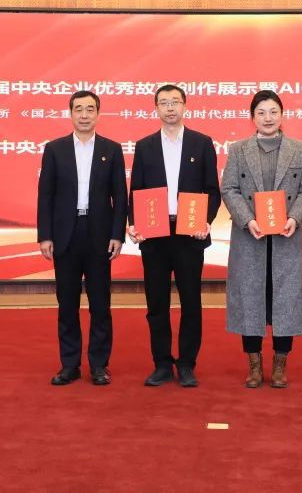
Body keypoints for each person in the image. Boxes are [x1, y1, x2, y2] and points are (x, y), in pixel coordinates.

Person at [220, 90, 302, 388]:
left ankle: (279, 363)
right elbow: (229, 189)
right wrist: (247, 219)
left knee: (284, 300)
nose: (268, 118)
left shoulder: (299, 149)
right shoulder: (238, 150)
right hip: (250, 237)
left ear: (282, 115)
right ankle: (253, 364)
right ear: (253, 117)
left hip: (286, 238)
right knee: (250, 298)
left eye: (273, 111)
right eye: (261, 112)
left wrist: (294, 218)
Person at [128, 84, 221, 388]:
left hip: (188, 233)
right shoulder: (144, 146)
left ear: (185, 106)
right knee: (157, 303)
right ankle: (162, 364)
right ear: (155, 108)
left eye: (175, 102)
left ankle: (187, 363)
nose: (170, 108)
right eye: (164, 103)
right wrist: (134, 223)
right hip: (154, 233)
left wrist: (205, 220)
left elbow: (212, 190)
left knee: (191, 302)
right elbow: (136, 190)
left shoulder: (201, 143)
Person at [37, 90, 127, 386]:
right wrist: (45, 235)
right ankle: (70, 365)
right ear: (71, 113)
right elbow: (45, 196)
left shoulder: (112, 149)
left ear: (98, 114)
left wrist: (117, 234)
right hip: (65, 233)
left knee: (100, 304)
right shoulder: (55, 149)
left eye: (90, 109)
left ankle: (99, 365)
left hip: (99, 234)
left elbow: (120, 197)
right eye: (79, 109)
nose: (85, 115)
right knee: (67, 303)